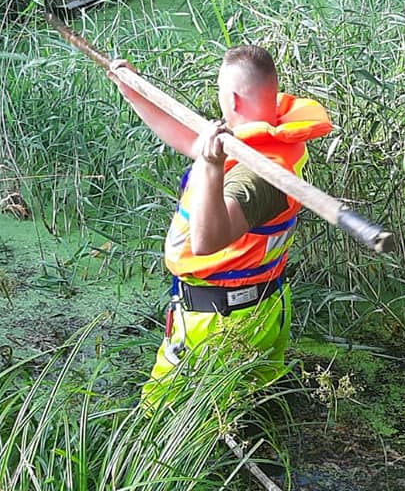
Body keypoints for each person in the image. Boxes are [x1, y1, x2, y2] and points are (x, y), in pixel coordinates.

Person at [107, 45, 332, 408]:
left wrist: (211, 168)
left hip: (221, 323)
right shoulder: (263, 135)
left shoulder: (260, 174)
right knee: (251, 413)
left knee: (161, 417)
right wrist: (134, 93)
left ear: (232, 99)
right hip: (257, 308)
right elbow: (189, 140)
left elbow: (207, 241)